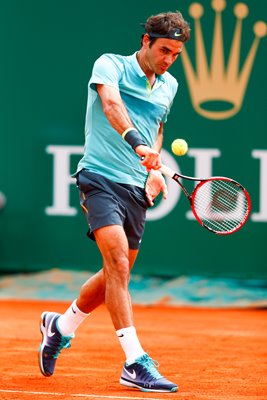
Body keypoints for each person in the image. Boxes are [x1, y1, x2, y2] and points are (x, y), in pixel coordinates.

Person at [38, 10, 190, 393]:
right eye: (164, 50)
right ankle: (135, 362)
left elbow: (157, 129)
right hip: (99, 176)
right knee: (119, 262)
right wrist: (136, 143)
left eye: (176, 53)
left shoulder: (170, 85)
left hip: (136, 186)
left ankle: (60, 327)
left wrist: (153, 168)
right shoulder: (111, 65)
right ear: (146, 42)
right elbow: (111, 106)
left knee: (113, 274)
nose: (169, 59)